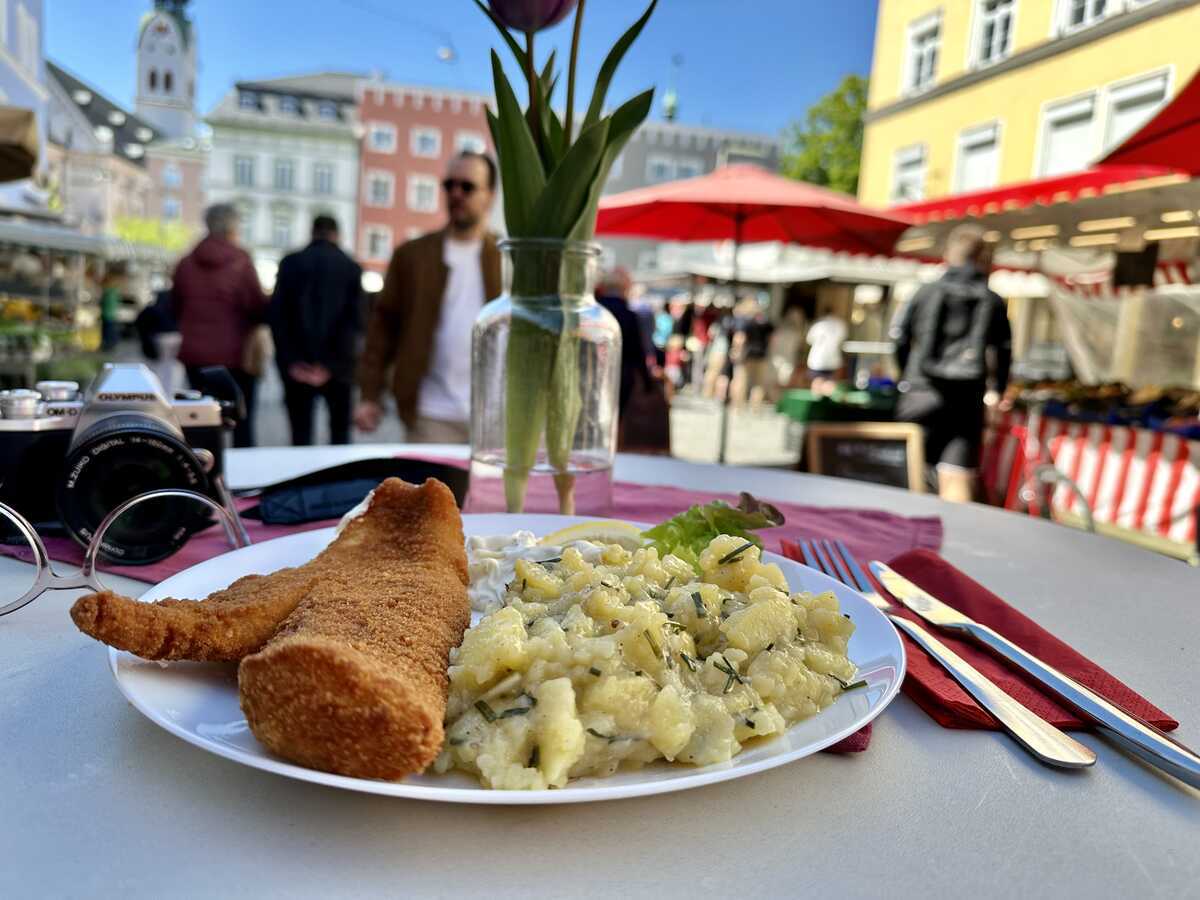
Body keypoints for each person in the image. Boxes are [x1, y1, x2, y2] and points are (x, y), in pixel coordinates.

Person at [355, 152, 501, 443]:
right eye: (449, 185)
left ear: (489, 196)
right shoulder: (412, 255)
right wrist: (370, 394)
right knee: (429, 490)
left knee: (486, 492)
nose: (456, 193)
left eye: (467, 186)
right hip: (430, 414)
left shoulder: (508, 256)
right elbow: (383, 325)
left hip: (495, 418)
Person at [891, 223, 1012, 503]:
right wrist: (997, 390)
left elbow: (899, 338)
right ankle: (951, 542)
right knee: (957, 475)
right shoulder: (992, 300)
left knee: (905, 472)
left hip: (920, 390)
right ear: (983, 258)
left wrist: (906, 375)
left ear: (948, 254)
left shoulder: (925, 292)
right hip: (967, 397)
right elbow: (1003, 351)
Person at [172, 203, 269, 447]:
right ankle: (244, 477)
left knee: (200, 420)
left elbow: (174, 305)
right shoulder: (240, 260)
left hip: (195, 354)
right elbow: (256, 306)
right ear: (233, 227)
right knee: (241, 422)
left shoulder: (185, 262)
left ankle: (202, 474)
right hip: (235, 356)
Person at [270, 215, 363, 446]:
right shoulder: (350, 267)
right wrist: (331, 366)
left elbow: (277, 317)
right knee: (340, 435)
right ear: (336, 234)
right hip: (338, 369)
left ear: (312, 232)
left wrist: (293, 362)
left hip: (297, 367)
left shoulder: (290, 263)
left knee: (300, 436)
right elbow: (356, 322)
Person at [596, 267, 652, 417]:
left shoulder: (595, 312)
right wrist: (647, 381)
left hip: (595, 373)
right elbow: (638, 351)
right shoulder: (629, 316)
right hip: (621, 376)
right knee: (614, 417)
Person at [728, 297, 775, 408]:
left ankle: (737, 405)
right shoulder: (766, 322)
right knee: (758, 382)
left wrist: (736, 350)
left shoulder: (745, 321)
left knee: (741, 379)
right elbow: (772, 339)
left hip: (746, 354)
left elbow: (740, 338)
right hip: (761, 354)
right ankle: (755, 406)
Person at [805, 305, 847, 393]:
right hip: (831, 359)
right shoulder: (839, 324)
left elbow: (809, 340)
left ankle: (817, 402)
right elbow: (842, 339)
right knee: (829, 384)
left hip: (818, 359)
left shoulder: (818, 324)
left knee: (817, 383)